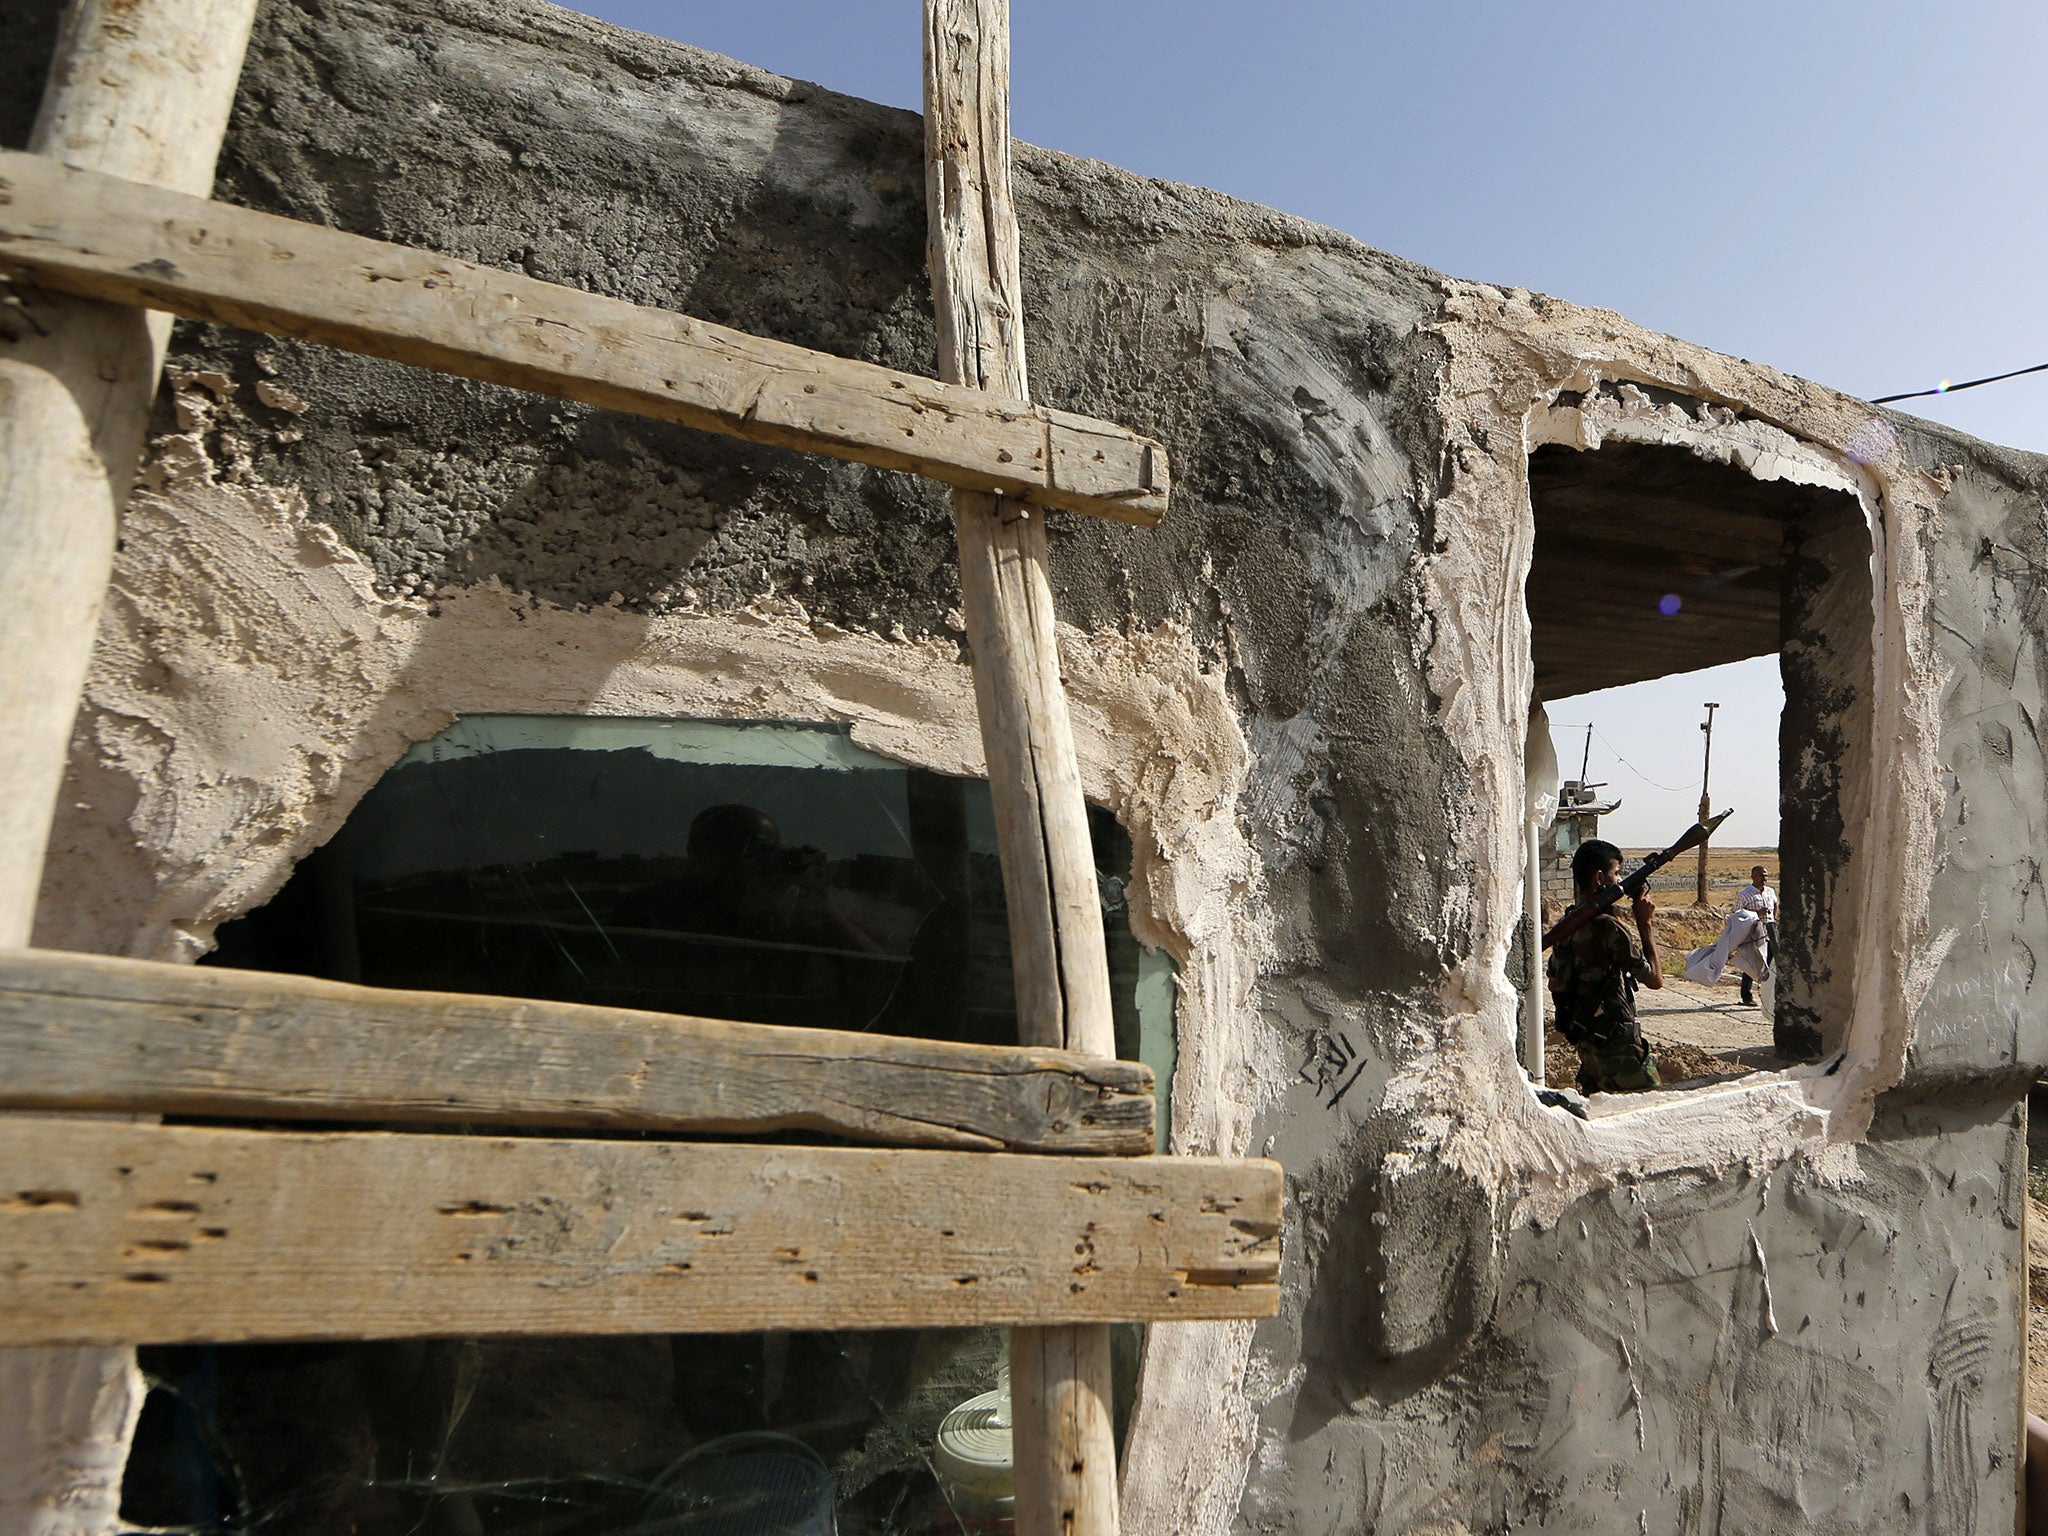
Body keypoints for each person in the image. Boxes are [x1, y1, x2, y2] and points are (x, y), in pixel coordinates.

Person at [1546, 838, 1664, 1094]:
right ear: (1600, 878)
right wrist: (1645, 924)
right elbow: (1655, 980)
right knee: (1650, 1106)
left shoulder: (1567, 925)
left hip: (1588, 1043)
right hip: (1616, 1046)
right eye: (1616, 873)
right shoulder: (1609, 928)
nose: (1620, 881)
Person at [1735, 863, 1779, 1006]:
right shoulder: (1744, 894)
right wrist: (1756, 914)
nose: (1764, 878)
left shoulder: (1770, 891)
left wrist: (1774, 918)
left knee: (1772, 963)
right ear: (1753, 876)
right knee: (1752, 964)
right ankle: (1746, 996)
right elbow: (1738, 914)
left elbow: (1775, 904)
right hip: (1754, 932)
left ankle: (1770, 996)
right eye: (1761, 875)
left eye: (1766, 875)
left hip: (1771, 931)